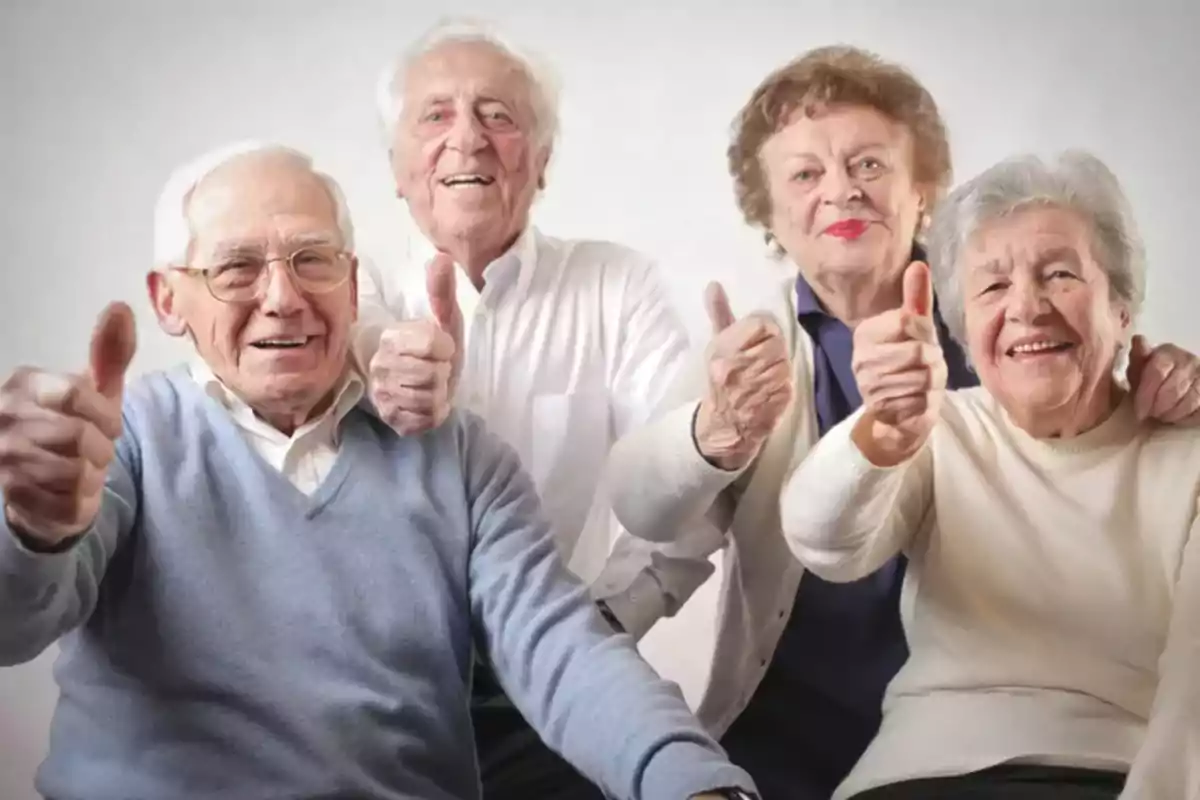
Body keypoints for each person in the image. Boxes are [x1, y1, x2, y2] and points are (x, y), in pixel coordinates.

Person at [0, 142, 759, 800]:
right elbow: (13, 624)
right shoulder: (124, 438)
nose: (282, 298)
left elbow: (564, 650)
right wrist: (32, 530)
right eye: (235, 268)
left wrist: (694, 781)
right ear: (170, 299)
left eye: (312, 260)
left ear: (352, 279)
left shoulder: (461, 458)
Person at [603, 45, 1200, 799]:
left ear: (924, 190)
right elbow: (648, 515)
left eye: (869, 166)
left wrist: (1175, 382)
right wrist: (711, 431)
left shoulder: (1001, 326)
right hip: (818, 726)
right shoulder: (752, 357)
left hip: (1012, 723)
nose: (841, 192)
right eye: (806, 175)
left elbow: (1110, 395)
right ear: (770, 214)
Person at [355, 23, 715, 799]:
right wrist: (388, 369)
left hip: (548, 687)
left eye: (498, 116)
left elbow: (685, 491)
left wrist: (612, 622)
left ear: (541, 162)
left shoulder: (616, 286)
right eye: (436, 116)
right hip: (373, 692)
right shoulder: (348, 285)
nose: (467, 140)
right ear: (396, 167)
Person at [779, 150, 1199, 800]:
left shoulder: (1187, 453)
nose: (1027, 307)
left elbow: (1193, 698)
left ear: (1121, 310)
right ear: (965, 332)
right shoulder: (938, 426)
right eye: (992, 286)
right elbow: (824, 544)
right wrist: (880, 434)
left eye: (1060, 274)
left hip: (1108, 777)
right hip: (914, 778)